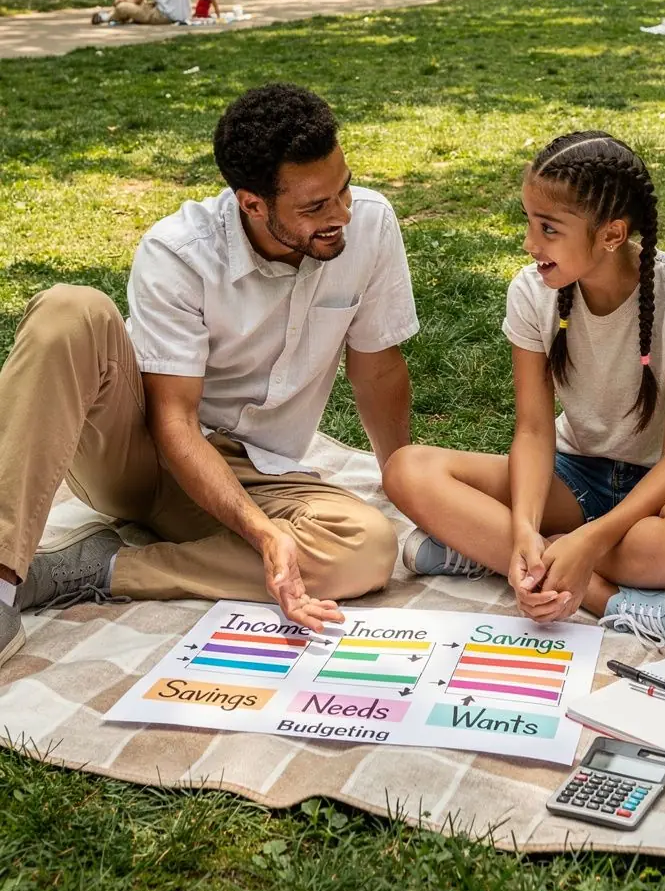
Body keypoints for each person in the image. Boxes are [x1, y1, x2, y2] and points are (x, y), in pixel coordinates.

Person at [0, 84, 420, 671]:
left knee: (367, 549)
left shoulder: (368, 227)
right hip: (140, 453)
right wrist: (262, 533)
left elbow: (377, 369)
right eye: (315, 207)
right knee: (68, 310)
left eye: (344, 188)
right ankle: (2, 578)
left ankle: (96, 568)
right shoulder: (179, 252)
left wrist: (406, 484)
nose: (341, 215)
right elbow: (173, 420)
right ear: (252, 204)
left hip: (258, 471)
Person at [384, 131, 665, 652]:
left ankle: (495, 550)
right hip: (577, 476)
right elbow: (533, 430)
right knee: (408, 469)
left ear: (612, 234)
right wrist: (525, 528)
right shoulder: (532, 291)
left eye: (549, 228)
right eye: (529, 223)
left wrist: (589, 541)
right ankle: (603, 595)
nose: (530, 244)